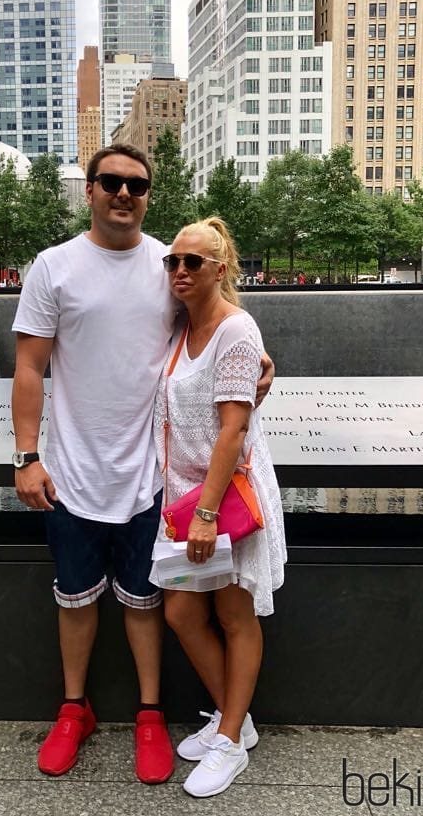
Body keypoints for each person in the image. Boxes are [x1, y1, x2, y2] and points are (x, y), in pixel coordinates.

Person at [11, 144, 275, 785]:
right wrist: (26, 456)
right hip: (72, 472)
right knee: (75, 600)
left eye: (137, 184)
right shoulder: (54, 267)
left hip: (154, 480)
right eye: (110, 182)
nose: (123, 193)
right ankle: (75, 709)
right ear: (91, 190)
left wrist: (258, 373)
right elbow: (29, 366)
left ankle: (151, 715)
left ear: (148, 194)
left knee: (147, 602)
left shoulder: (166, 266)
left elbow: (221, 334)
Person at [150, 217, 286, 799]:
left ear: (221, 268)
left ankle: (229, 741)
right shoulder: (183, 329)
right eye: (173, 262)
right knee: (181, 612)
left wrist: (206, 513)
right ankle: (239, 719)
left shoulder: (235, 330)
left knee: (235, 618)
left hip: (223, 501)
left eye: (193, 262)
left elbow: (233, 429)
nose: (180, 270)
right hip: (184, 500)